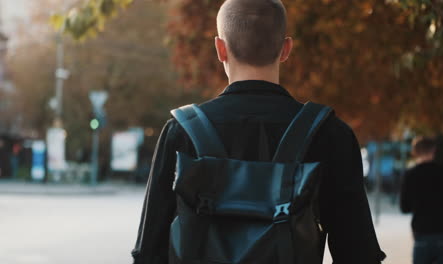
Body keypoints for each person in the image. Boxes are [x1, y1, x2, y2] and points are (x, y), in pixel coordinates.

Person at [132, 0, 385, 263]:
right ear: (286, 48)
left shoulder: (180, 132)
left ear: (220, 49)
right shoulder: (330, 133)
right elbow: (359, 252)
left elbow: (149, 251)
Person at [400, 137, 443, 264]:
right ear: (434, 151)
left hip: (422, 234)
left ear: (415, 152)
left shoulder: (411, 175)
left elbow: (405, 208)